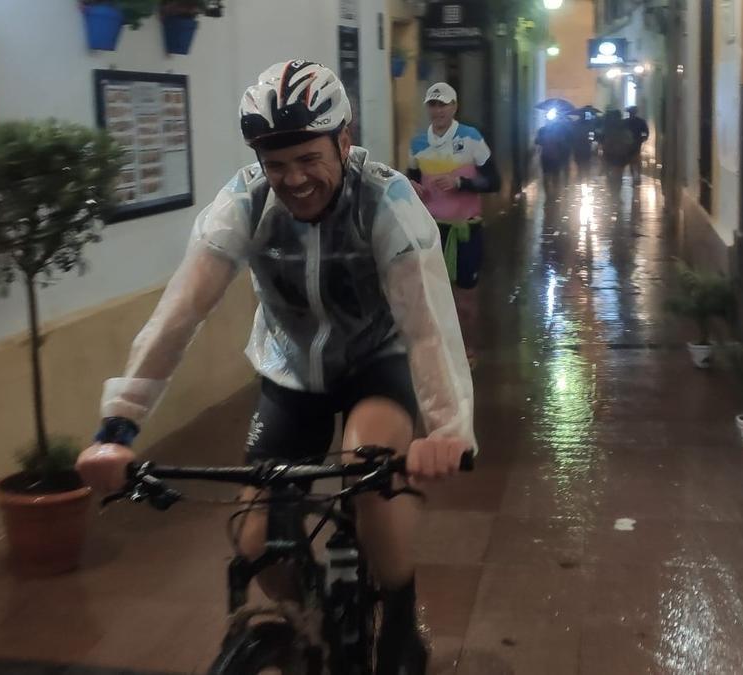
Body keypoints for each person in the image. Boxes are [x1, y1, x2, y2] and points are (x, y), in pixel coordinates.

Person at [75, 60, 475, 675]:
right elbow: (180, 314)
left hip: (376, 364)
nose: (293, 179)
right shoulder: (244, 203)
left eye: (309, 158)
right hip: (291, 372)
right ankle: (313, 615)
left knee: (370, 485)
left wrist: (447, 432)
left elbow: (428, 327)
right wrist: (117, 428)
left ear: (344, 140)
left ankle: (398, 615)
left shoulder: (389, 202)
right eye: (276, 162)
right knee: (256, 539)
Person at [405, 83, 500, 368]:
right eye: (433, 105)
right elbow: (410, 181)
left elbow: (494, 181)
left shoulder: (471, 138)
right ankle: (439, 350)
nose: (438, 110)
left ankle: (467, 348)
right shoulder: (418, 144)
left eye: (443, 104)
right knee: (432, 296)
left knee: (466, 297)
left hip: (465, 230)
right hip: (432, 230)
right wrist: (411, 186)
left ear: (454, 106)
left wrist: (461, 183)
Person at [625, 106, 650, 185]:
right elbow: (646, 132)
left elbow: (646, 132)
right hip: (636, 143)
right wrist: (644, 138)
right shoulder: (641, 121)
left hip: (630, 144)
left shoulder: (626, 122)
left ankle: (634, 177)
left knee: (632, 160)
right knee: (636, 160)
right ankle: (637, 176)